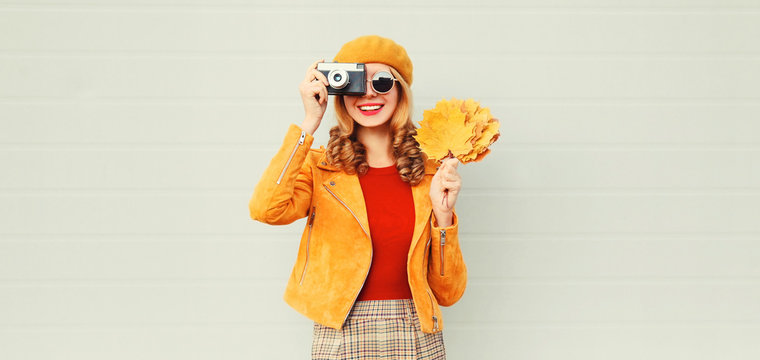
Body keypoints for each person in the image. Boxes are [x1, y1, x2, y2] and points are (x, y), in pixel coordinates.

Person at [249, 35, 467, 360]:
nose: (367, 94)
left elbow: (448, 293)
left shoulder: (432, 173)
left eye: (381, 82)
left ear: (400, 91)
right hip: (340, 330)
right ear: (339, 92)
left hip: (417, 330)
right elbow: (266, 209)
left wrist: (444, 216)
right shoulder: (320, 168)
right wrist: (310, 122)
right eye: (354, 84)